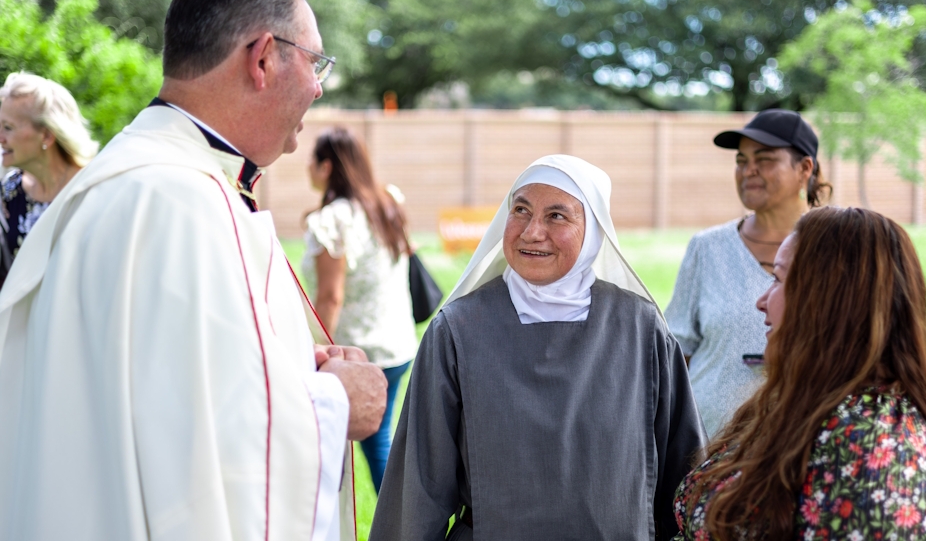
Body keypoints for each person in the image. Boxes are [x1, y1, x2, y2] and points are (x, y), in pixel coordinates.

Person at [0, 0, 387, 541]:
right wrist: (335, 402)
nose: (318, 86)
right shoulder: (176, 199)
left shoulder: (143, 177)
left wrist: (279, 362)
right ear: (263, 58)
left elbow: (160, 379)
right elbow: (195, 459)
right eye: (316, 62)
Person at [371, 154, 706, 541]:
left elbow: (685, 476)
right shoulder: (458, 330)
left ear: (593, 230)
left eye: (556, 216)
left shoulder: (641, 329)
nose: (532, 232)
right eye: (521, 211)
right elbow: (418, 484)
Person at [672, 206, 926, 540]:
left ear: (831, 301)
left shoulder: (873, 450)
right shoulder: (812, 404)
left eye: (779, 279)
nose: (761, 301)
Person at [663, 109, 831, 437]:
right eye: (741, 161)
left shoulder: (833, 247)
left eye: (764, 159)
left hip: (799, 445)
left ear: (804, 168)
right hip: (707, 446)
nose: (748, 170)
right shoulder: (707, 248)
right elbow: (676, 354)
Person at [303, 127, 417, 493]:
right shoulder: (386, 203)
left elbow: (330, 297)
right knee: (379, 439)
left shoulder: (334, 220)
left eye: (312, 161)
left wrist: (314, 353)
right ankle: (402, 516)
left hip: (358, 352)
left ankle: (402, 518)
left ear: (326, 167)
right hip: (397, 343)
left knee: (357, 444)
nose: (307, 168)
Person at [0, 73, 98, 284]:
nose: (1, 137)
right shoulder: (10, 190)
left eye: (8, 127)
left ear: (46, 135)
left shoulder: (93, 190)